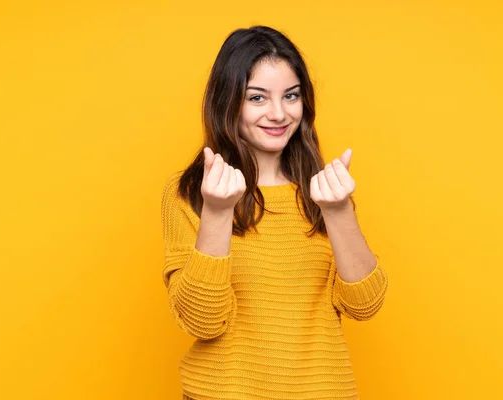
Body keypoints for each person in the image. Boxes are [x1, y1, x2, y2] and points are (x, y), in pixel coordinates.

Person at [161, 25, 389, 400]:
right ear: (227, 101)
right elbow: (201, 321)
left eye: (291, 96)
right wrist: (218, 212)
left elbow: (365, 306)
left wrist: (338, 211)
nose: (279, 113)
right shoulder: (189, 193)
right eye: (257, 98)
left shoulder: (325, 191)